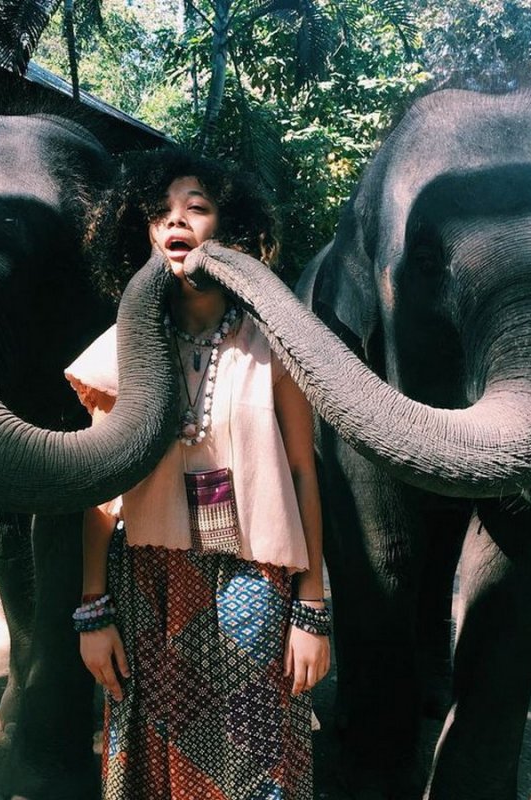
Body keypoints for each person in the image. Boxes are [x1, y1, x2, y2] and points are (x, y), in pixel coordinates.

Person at [65, 149, 330, 800]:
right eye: (159, 213)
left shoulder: (276, 343)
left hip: (254, 585)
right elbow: (101, 489)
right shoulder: (124, 345)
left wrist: (313, 610)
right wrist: (92, 613)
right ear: (142, 236)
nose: (175, 221)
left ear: (230, 230)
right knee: (155, 767)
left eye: (196, 208)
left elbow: (303, 473)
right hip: (146, 586)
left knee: (252, 763)